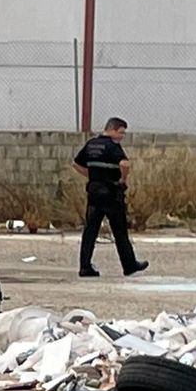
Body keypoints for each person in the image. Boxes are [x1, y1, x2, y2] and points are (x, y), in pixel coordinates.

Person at [73, 116, 149, 278]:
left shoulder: (91, 144)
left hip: (94, 192)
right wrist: (123, 179)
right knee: (120, 230)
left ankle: (85, 266)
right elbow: (125, 164)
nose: (122, 136)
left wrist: (93, 175)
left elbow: (76, 164)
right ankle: (129, 265)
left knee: (90, 231)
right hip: (111, 193)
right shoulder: (112, 146)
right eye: (121, 132)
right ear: (112, 130)